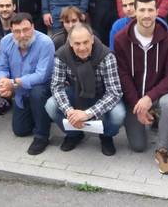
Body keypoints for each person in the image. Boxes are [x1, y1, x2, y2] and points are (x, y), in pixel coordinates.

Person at [114, 0, 168, 174]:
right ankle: (148, 119)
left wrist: (149, 99)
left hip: (157, 94)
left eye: (151, 9)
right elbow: (123, 75)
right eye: (142, 10)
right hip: (133, 97)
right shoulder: (121, 39)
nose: (147, 15)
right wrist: (137, 104)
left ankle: (162, 150)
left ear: (157, 11)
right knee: (138, 146)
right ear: (134, 11)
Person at [45, 24, 126, 156]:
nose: (82, 48)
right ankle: (74, 134)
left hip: (102, 94)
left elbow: (114, 92)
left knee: (118, 114)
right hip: (76, 93)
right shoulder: (61, 55)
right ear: (70, 43)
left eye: (86, 42)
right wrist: (69, 111)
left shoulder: (106, 56)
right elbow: (57, 86)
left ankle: (106, 136)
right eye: (77, 43)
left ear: (92, 39)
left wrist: (88, 114)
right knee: (50, 105)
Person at [0, 13, 55, 155]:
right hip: (20, 92)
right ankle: (41, 116)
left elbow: (41, 75)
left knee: (37, 92)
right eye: (17, 31)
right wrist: (3, 83)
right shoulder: (5, 41)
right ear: (11, 30)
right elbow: (0, 68)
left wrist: (13, 83)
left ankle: (42, 136)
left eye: (26, 29)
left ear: (33, 27)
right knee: (20, 131)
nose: (22, 35)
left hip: (43, 88)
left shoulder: (45, 42)